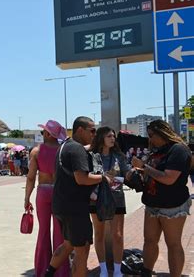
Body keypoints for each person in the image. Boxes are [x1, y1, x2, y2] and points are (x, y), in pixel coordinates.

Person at [46, 116, 112, 277]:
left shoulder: (64, 147)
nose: (94, 134)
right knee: (81, 252)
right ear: (80, 130)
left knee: (68, 244)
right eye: (92, 130)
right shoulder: (77, 149)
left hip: (61, 205)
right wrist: (103, 177)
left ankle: (48, 274)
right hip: (75, 209)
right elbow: (82, 178)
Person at [129, 120, 192, 277]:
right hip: (152, 203)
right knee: (149, 241)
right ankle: (146, 271)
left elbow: (169, 178)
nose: (150, 139)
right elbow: (151, 175)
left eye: (152, 135)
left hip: (172, 206)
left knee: (173, 244)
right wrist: (136, 174)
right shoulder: (157, 151)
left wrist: (144, 167)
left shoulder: (178, 150)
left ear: (162, 133)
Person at [24, 120, 69, 277]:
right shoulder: (63, 151)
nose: (42, 134)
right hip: (59, 193)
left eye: (43, 132)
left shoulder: (36, 151)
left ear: (48, 134)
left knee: (43, 231)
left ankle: (42, 270)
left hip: (43, 192)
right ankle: (61, 271)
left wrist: (26, 198)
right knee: (59, 232)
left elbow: (30, 178)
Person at [89, 127, 131, 277]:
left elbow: (126, 173)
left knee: (117, 235)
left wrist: (131, 173)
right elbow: (87, 176)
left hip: (117, 198)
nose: (113, 138)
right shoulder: (92, 156)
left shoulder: (118, 155)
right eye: (109, 136)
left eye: (113, 136)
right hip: (96, 199)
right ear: (101, 138)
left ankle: (118, 270)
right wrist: (102, 177)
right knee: (99, 234)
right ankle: (104, 270)